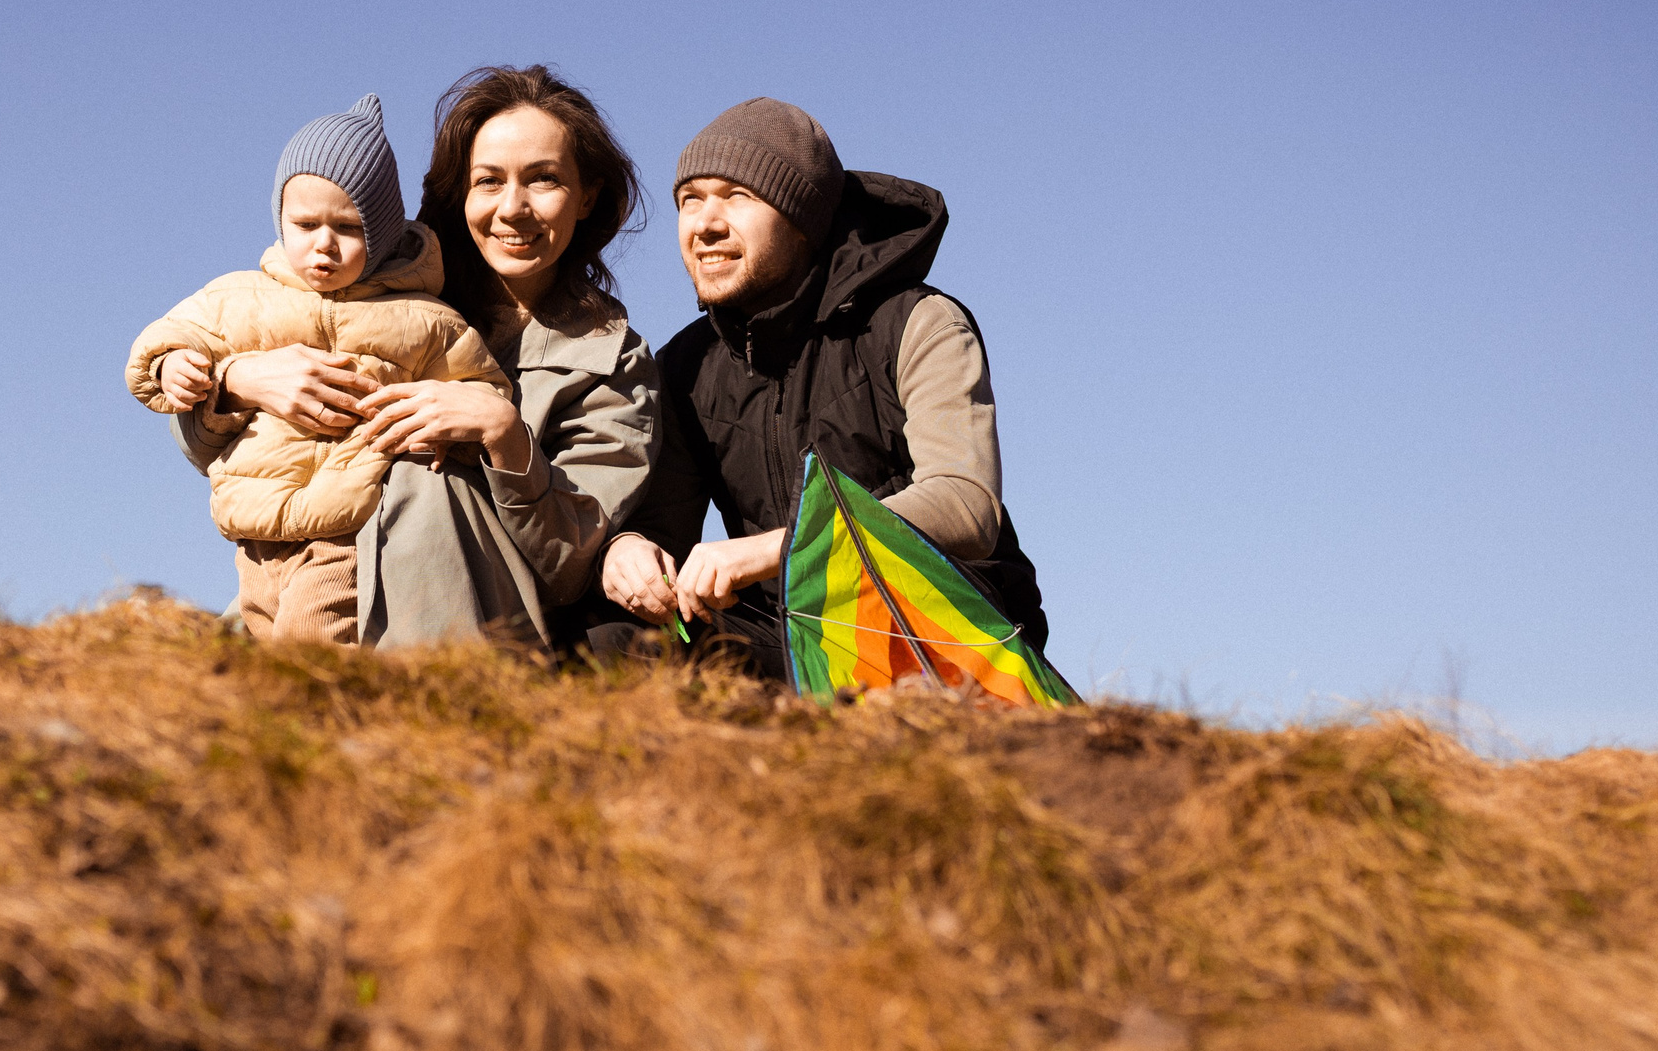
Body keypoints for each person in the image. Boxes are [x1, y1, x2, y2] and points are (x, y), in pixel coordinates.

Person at [173, 66, 659, 647]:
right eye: (488, 181)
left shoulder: (614, 362)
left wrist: (505, 435)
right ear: (460, 195)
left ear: (587, 198)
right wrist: (236, 380)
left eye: (543, 179)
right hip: (296, 591)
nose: (513, 208)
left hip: (477, 635)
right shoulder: (380, 291)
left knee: (422, 483)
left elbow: (570, 565)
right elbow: (210, 451)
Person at [598, 96, 1049, 676]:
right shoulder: (686, 365)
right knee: (611, 643)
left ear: (804, 221)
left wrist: (775, 550)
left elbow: (965, 506)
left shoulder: (920, 321)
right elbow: (664, 528)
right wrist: (630, 550)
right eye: (690, 200)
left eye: (737, 196)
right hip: (788, 640)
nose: (705, 224)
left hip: (939, 631)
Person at [128, 94, 510, 645]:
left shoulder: (424, 320)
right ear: (280, 221)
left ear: (381, 233)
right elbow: (168, 337)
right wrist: (175, 367)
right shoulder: (240, 297)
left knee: (310, 643)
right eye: (304, 224)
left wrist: (444, 435)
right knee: (261, 648)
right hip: (255, 531)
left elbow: (482, 391)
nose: (323, 245)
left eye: (348, 227)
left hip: (347, 527)